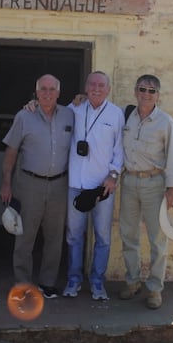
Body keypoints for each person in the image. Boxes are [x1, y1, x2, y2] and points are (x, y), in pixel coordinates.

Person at [0, 74, 74, 299]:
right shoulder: (25, 116)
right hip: (29, 183)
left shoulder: (70, 115)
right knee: (25, 236)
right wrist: (6, 182)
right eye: (43, 89)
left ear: (59, 93)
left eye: (52, 89)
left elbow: (88, 106)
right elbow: (11, 151)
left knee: (54, 236)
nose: (48, 93)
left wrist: (80, 97)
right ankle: (22, 284)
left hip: (59, 184)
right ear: (36, 92)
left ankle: (48, 283)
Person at [118, 74, 173, 309]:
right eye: (142, 89)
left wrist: (171, 189)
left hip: (154, 184)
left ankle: (155, 290)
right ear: (135, 91)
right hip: (129, 182)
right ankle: (132, 282)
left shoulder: (166, 122)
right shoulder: (125, 117)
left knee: (157, 239)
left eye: (152, 91)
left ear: (158, 95)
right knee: (129, 235)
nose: (146, 94)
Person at [63, 71, 125, 301]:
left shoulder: (116, 114)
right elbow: (53, 116)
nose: (96, 88)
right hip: (76, 185)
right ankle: (73, 280)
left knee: (103, 237)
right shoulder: (74, 109)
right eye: (92, 84)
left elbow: (120, 149)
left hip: (103, 187)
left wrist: (113, 175)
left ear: (108, 89)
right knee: (74, 236)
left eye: (101, 85)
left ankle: (98, 282)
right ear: (85, 87)